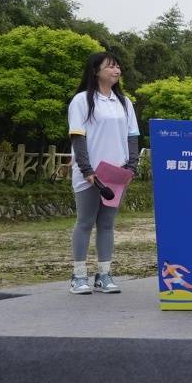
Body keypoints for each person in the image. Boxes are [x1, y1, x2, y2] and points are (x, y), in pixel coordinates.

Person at [65, 51, 139, 294]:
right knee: (85, 222)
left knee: (107, 224)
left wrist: (131, 167)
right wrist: (87, 169)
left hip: (116, 174)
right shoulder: (81, 101)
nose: (116, 70)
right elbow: (78, 137)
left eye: (118, 66)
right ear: (96, 71)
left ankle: (104, 274)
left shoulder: (124, 102)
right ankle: (78, 276)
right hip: (91, 174)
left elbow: (132, 137)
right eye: (110, 66)